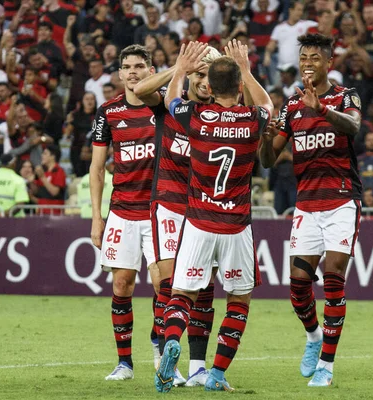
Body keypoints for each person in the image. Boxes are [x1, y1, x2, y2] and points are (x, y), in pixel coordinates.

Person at [156, 40, 272, 393]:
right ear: (238, 87)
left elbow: (170, 100)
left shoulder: (196, 117)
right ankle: (217, 373)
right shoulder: (252, 120)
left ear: (211, 86)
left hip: (198, 221)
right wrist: (247, 69)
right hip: (236, 226)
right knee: (237, 300)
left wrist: (180, 67)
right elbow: (268, 104)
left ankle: (171, 340)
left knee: (181, 294)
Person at [259, 34, 362, 387]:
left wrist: (322, 110)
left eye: (315, 57)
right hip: (306, 204)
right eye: (303, 57)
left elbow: (354, 127)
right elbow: (269, 160)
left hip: (341, 200)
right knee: (298, 287)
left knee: (333, 276)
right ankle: (314, 337)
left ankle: (327, 367)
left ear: (328, 63)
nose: (307, 63)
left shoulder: (346, 96)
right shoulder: (290, 106)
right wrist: (263, 137)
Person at [134, 42, 222, 387]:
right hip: (169, 204)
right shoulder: (170, 107)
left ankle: (199, 367)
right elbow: (140, 89)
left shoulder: (222, 114)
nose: (204, 82)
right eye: (199, 75)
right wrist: (181, 67)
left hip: (203, 208)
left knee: (204, 287)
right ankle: (165, 356)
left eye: (210, 76)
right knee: (169, 286)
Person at [89, 44, 159, 381]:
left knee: (165, 286)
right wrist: (96, 217)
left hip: (160, 212)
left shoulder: (164, 107)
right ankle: (125, 363)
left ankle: (160, 347)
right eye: (127, 67)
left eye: (139, 66)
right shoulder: (108, 112)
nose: (132, 72)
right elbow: (97, 168)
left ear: (151, 70)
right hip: (123, 211)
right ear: (119, 74)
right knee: (122, 284)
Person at [30, 145, 66, 215]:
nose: (42, 156)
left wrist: (43, 178)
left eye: (45, 153)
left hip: (55, 215)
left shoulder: (59, 171)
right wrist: (30, 180)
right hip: (40, 213)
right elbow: (37, 192)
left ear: (53, 156)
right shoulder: (43, 172)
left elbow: (55, 192)